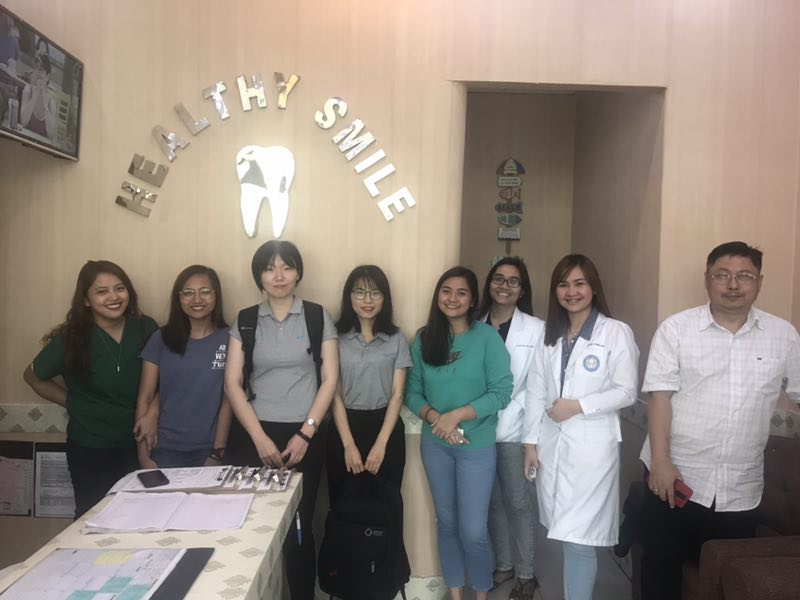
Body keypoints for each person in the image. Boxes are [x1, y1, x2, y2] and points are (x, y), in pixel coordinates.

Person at [638, 241, 800, 600]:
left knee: (726, 577)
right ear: (707, 279)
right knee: (661, 567)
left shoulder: (784, 336)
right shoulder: (676, 329)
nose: (733, 284)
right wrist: (661, 463)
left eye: (745, 276)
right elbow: (660, 397)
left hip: (740, 487)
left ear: (759, 282)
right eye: (722, 275)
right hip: (677, 476)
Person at [223, 240, 338, 600]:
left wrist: (306, 434)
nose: (279, 275)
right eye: (269, 268)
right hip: (256, 434)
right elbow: (232, 383)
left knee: (299, 527)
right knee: (255, 526)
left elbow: (330, 379)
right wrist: (259, 439)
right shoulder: (245, 320)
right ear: (258, 275)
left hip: (305, 434)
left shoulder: (317, 316)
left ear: (298, 272)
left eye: (287, 267)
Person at [522, 254, 638, 600]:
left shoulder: (614, 332)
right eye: (563, 284)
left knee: (579, 538)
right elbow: (535, 390)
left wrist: (577, 406)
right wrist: (530, 444)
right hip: (552, 445)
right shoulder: (550, 334)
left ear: (593, 288)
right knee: (567, 535)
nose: (571, 292)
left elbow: (627, 391)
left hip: (592, 451)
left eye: (579, 283)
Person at [406, 266, 513, 600]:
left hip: (476, 445)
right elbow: (412, 393)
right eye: (446, 290)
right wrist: (438, 419)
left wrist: (456, 416)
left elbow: (502, 393)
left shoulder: (487, 338)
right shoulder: (424, 339)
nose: (452, 298)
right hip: (436, 445)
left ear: (473, 300)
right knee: (447, 524)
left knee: (473, 531)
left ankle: (480, 594)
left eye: (461, 292)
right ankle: (455, 595)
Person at [23, 260, 157, 518]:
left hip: (140, 444)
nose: (114, 297)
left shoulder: (145, 327)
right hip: (90, 448)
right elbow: (33, 377)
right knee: (93, 518)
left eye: (120, 288)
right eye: (102, 291)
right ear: (86, 300)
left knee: (140, 517)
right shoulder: (72, 338)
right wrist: (74, 402)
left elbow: (165, 377)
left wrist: (152, 413)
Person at [476, 257, 544, 600]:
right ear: (489, 284)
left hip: (516, 429)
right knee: (491, 504)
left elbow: (538, 386)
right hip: (478, 430)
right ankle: (503, 565)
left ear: (522, 289)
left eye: (513, 281)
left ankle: (527, 574)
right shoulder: (474, 324)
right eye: (498, 279)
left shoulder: (537, 329)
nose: (504, 286)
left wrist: (530, 438)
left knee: (518, 503)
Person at [326, 265, 412, 503]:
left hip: (385, 427)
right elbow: (334, 394)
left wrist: (381, 444)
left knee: (385, 505)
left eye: (375, 293)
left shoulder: (397, 339)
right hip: (344, 426)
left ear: (385, 298)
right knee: (344, 505)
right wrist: (348, 445)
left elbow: (397, 394)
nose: (367, 300)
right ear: (349, 296)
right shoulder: (334, 337)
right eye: (360, 292)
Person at [133, 265, 232, 469]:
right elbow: (145, 397)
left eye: (205, 292)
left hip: (209, 449)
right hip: (164, 448)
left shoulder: (230, 338)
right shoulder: (161, 338)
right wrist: (143, 457)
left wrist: (217, 452)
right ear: (178, 298)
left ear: (216, 295)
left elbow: (228, 400)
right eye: (188, 293)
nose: (197, 299)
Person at [20, 54, 56, 140]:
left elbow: (51, 135)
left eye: (41, 69)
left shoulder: (51, 103)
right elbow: (23, 122)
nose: (37, 72)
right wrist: (35, 95)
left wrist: (45, 105)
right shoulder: (28, 90)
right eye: (36, 68)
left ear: (47, 76)